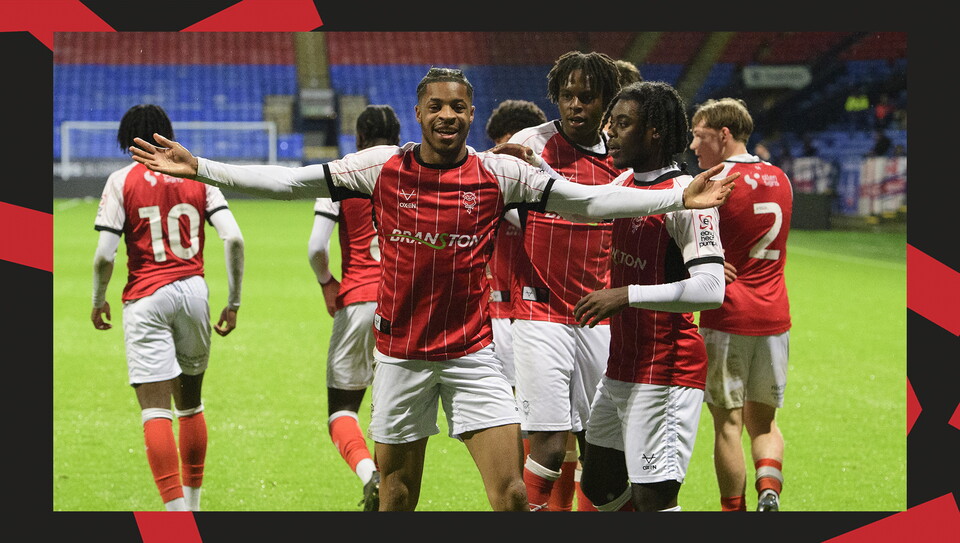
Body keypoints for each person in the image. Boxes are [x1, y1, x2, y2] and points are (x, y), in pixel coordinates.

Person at [128, 67, 736, 512]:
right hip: (401, 357)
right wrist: (201, 167)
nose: (448, 115)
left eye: (459, 107)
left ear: (471, 114)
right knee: (397, 496)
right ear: (419, 113)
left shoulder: (499, 172)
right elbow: (290, 181)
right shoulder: (381, 167)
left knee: (513, 494)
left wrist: (676, 196)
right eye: (437, 106)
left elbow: (588, 201)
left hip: (472, 357)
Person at [571, 81, 726, 513]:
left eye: (623, 124)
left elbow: (712, 289)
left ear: (654, 131)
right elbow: (579, 204)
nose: (610, 132)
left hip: (667, 368)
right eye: (611, 123)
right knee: (600, 485)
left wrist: (627, 295)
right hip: (623, 365)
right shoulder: (625, 182)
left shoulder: (692, 198)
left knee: (654, 500)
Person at [91, 104, 245, 511]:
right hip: (194, 293)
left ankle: (177, 522)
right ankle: (193, 508)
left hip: (146, 297)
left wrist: (98, 299)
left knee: (155, 411)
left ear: (127, 140)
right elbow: (233, 238)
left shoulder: (121, 180)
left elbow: (105, 255)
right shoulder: (197, 175)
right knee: (191, 405)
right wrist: (233, 302)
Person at [506, 50, 623, 512]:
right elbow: (494, 201)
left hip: (598, 316)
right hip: (540, 311)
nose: (575, 105)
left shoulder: (621, 156)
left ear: (606, 102)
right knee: (550, 446)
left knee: (602, 451)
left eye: (587, 97)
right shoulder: (531, 145)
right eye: (567, 95)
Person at [689, 97, 793, 512]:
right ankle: (769, 490)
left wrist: (711, 262)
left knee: (728, 424)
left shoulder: (715, 182)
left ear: (723, 134)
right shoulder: (781, 178)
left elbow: (692, 247)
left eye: (699, 136)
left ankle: (735, 514)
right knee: (764, 423)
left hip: (727, 316)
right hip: (775, 316)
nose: (693, 146)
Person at [307, 104, 401, 511]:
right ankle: (390, 493)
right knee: (390, 412)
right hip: (402, 305)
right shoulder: (411, 172)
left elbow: (316, 247)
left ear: (359, 138)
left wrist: (328, 283)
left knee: (342, 409)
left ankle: (369, 475)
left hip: (359, 299)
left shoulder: (343, 173)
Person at [483, 99, 549, 392]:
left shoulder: (547, 188)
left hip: (538, 314)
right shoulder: (488, 180)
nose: (499, 151)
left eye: (505, 143)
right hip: (497, 312)